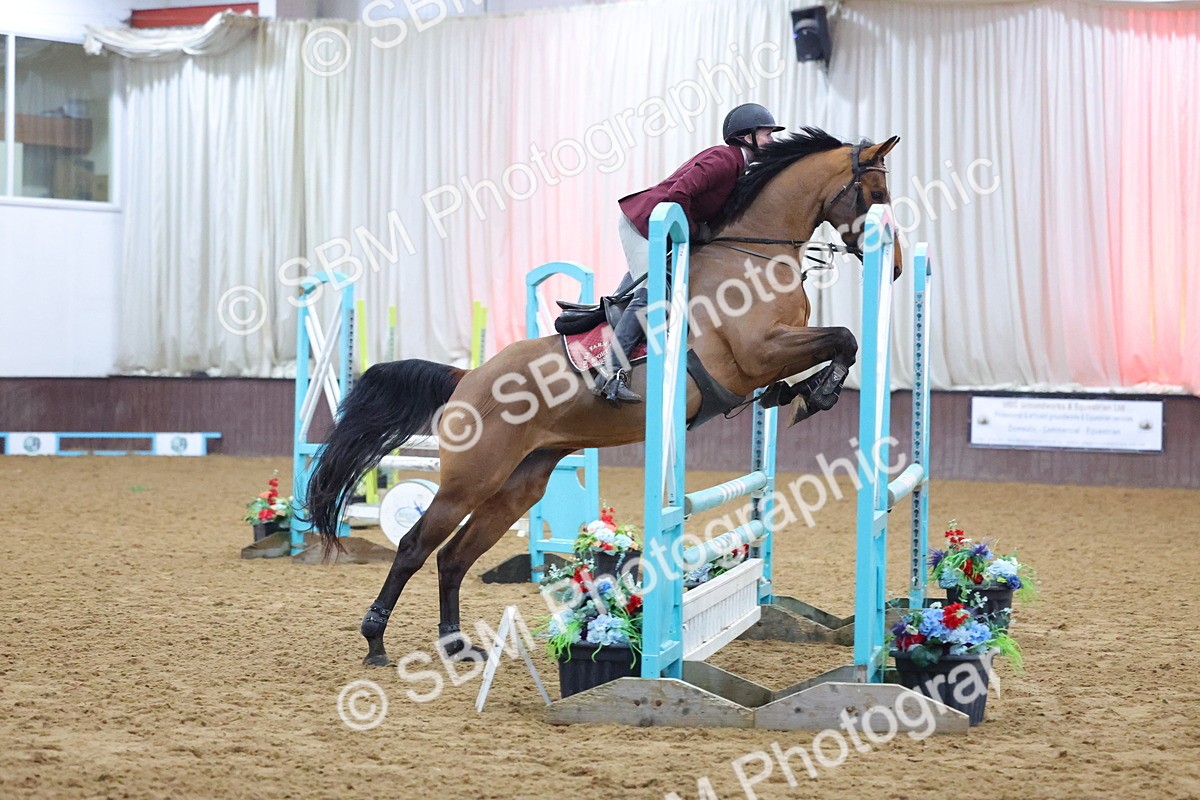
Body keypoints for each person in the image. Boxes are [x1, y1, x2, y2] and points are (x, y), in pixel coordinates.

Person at [594, 103, 785, 405]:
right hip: (645, 223)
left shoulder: (740, 168)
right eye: (766, 134)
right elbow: (679, 193)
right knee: (654, 294)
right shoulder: (724, 159)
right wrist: (694, 232)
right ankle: (610, 373)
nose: (771, 140)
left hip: (662, 228)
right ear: (745, 136)